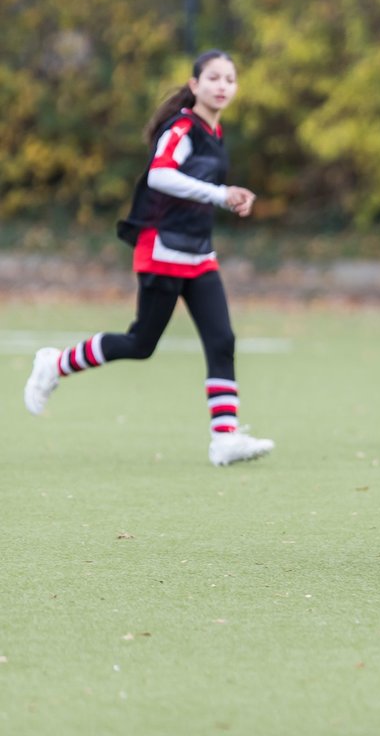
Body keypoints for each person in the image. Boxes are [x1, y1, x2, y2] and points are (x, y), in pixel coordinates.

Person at [23, 50, 275, 466]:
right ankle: (55, 363)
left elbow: (195, 183)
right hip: (163, 248)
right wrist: (218, 195)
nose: (222, 86)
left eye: (229, 79)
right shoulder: (181, 128)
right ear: (195, 85)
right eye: (213, 78)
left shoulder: (215, 132)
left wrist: (229, 197)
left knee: (222, 339)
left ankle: (225, 437)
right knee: (141, 343)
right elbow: (160, 174)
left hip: (199, 251)